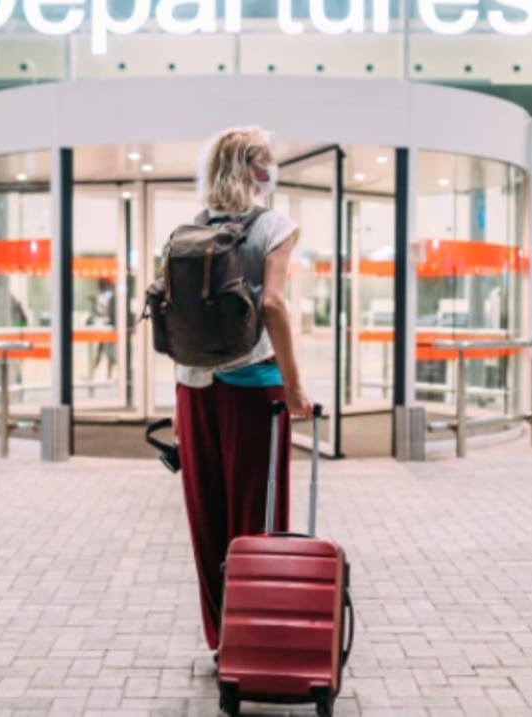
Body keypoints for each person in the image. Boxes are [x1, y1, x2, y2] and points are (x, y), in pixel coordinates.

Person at [173, 126, 310, 659]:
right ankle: (259, 638)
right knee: (257, 516)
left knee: (206, 517)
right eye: (267, 159)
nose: (272, 167)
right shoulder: (275, 224)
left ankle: (221, 639)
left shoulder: (193, 226)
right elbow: (272, 305)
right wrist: (294, 386)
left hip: (194, 387)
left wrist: (178, 403)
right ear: (250, 168)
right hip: (253, 386)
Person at [87, 278, 117, 381]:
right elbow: (100, 311)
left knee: (110, 354)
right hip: (103, 326)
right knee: (101, 352)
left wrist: (95, 303)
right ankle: (92, 375)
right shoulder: (103, 296)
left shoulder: (109, 296)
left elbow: (107, 311)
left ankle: (109, 375)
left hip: (108, 326)